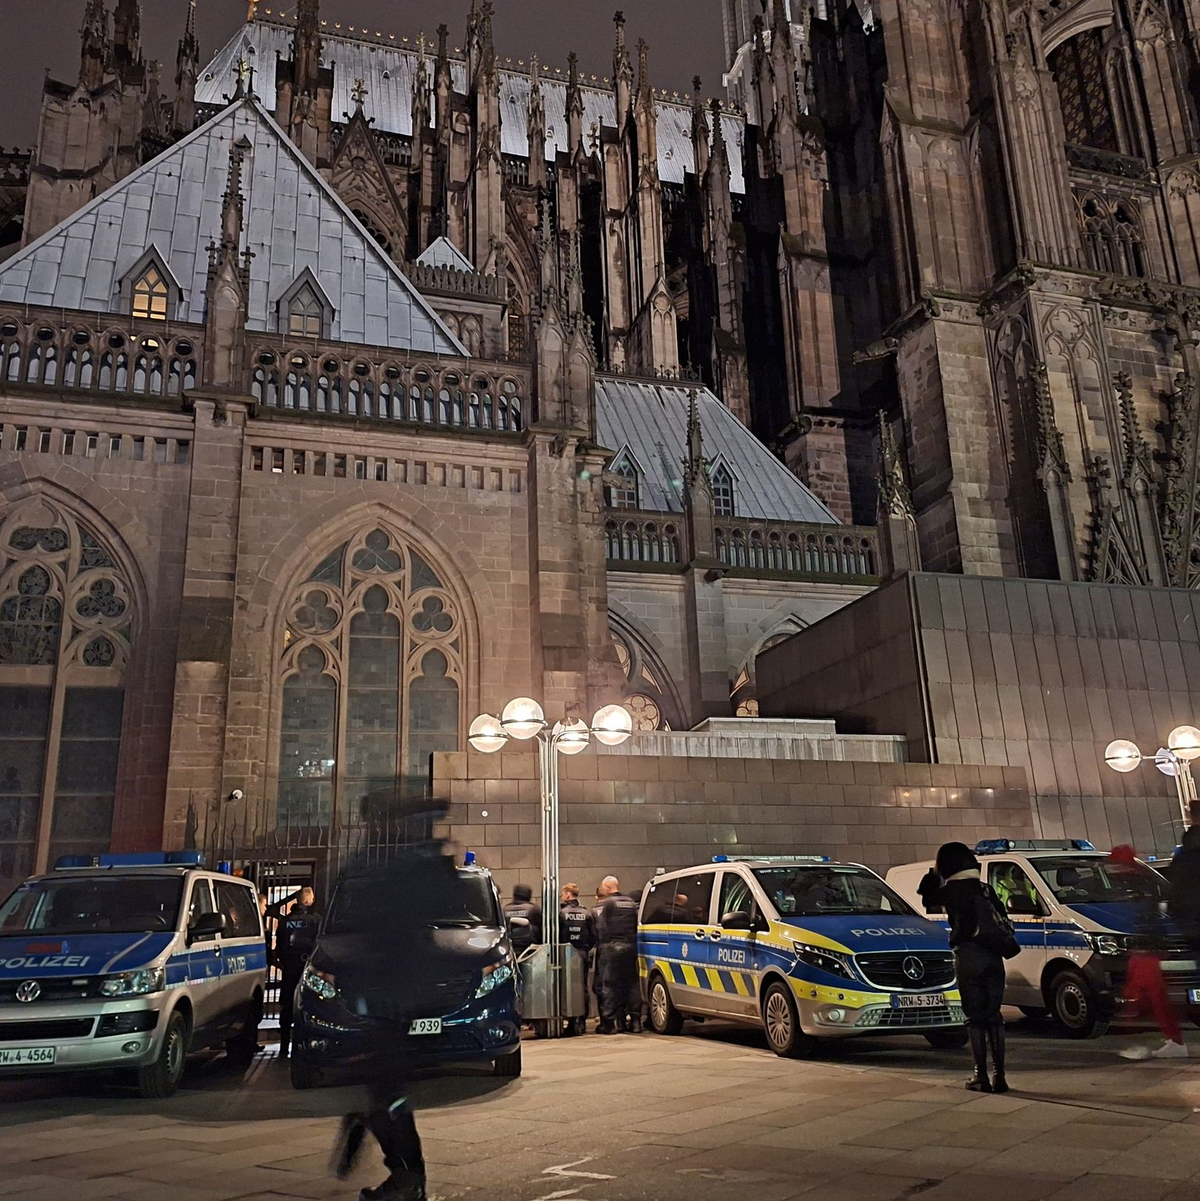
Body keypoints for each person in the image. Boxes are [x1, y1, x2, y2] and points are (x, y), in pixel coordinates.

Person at [329, 846, 462, 1201]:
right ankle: (404, 1173)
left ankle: (406, 1176)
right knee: (390, 1095)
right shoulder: (410, 898)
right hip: (396, 1008)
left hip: (391, 1010)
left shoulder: (391, 900)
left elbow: (377, 953)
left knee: (390, 1096)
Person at [920, 843, 1009, 1093]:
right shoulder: (986, 890)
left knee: (975, 1018)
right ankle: (1000, 1075)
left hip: (969, 957)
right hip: (994, 956)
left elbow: (926, 897)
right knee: (995, 1016)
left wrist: (933, 873)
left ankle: (980, 1075)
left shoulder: (952, 891)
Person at [1110, 845, 1186, 1061]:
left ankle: (1174, 1041)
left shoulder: (1134, 885)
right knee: (1145, 997)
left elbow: (1143, 917)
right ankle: (1171, 1039)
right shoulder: (1143, 881)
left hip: (1146, 950)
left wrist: (1143, 945)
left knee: (1147, 997)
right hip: (1147, 949)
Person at [277, 884, 321, 1058]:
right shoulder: (314, 921)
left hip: (288, 969)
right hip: (307, 970)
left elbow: (279, 947)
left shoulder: (284, 922)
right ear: (309, 901)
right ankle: (304, 1047)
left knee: (287, 1008)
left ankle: (283, 1048)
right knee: (308, 1007)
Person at [593, 875, 641, 1034]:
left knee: (609, 985)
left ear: (606, 888)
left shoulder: (608, 903)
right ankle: (635, 1022)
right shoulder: (630, 903)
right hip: (630, 947)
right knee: (632, 984)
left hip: (611, 948)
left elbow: (602, 927)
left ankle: (609, 1024)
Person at [560, 883, 594, 1034]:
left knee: (566, 987)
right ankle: (582, 1021)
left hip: (565, 952)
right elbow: (593, 935)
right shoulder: (586, 913)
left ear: (568, 894)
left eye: (563, 894)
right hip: (582, 953)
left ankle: (571, 1021)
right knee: (583, 987)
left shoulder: (561, 913)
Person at [503, 883, 543, 956]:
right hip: (530, 950)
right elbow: (541, 931)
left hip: (509, 948)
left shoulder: (505, 909)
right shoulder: (534, 909)